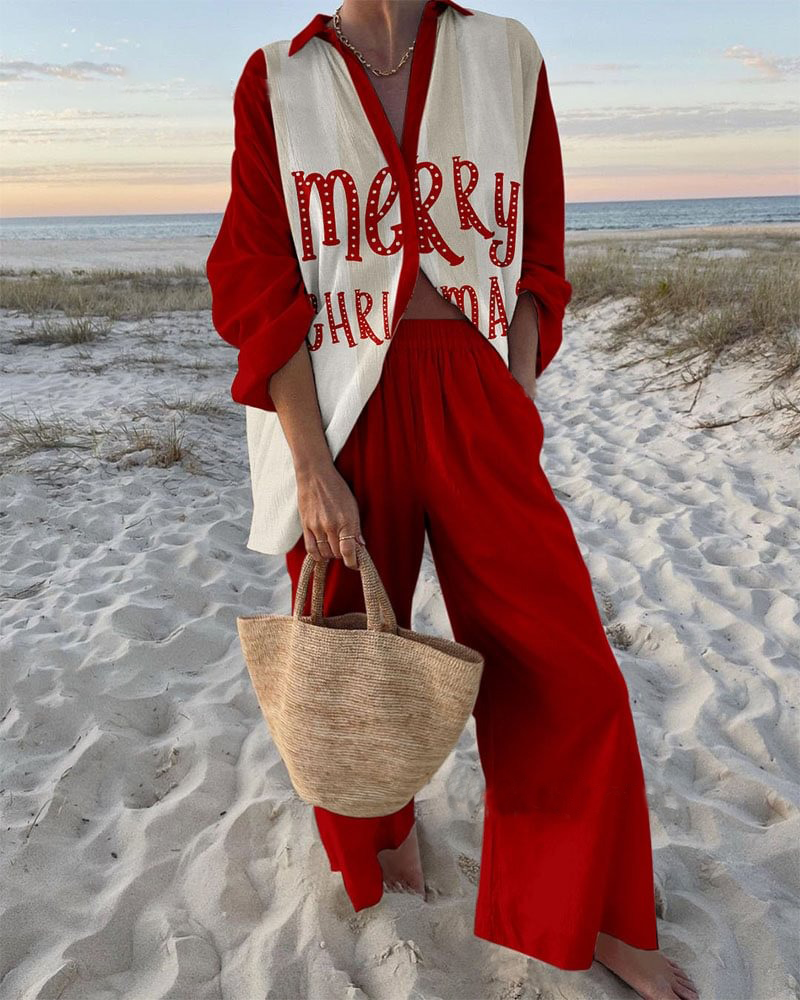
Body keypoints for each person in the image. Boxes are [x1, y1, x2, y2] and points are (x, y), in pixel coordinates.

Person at [207, 2, 699, 997]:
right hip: (339, 405)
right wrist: (309, 463)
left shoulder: (504, 54)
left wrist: (513, 391)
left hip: (473, 391)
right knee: (347, 647)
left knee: (565, 663)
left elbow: (538, 246)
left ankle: (595, 914)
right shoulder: (276, 78)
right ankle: (380, 837)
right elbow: (260, 280)